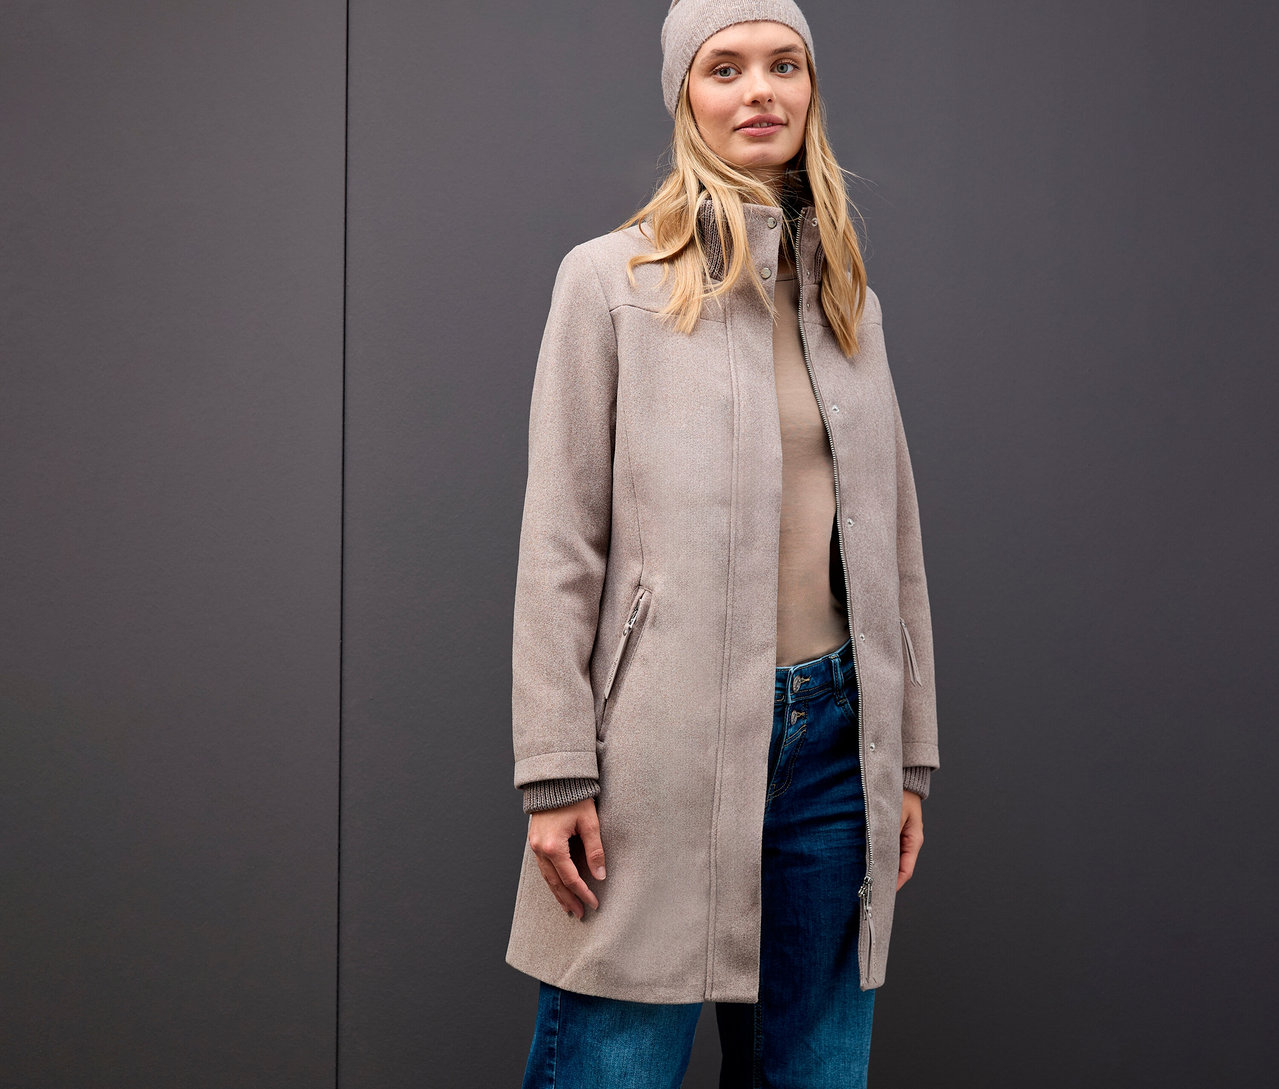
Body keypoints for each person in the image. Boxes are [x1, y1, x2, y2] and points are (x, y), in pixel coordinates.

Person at [506, 1, 940, 1085]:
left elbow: (892, 541)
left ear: (810, 90)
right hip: (660, 740)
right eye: (725, 68)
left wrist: (907, 757)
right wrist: (554, 769)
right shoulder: (609, 281)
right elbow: (560, 540)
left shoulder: (848, 299)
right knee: (611, 1058)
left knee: (813, 1068)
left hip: (835, 742)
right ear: (684, 97)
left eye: (783, 65)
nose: (759, 91)